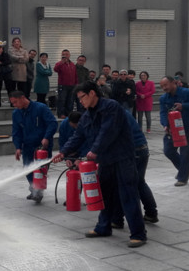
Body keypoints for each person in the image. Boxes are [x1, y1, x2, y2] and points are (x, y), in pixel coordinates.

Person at [52, 81, 147, 248]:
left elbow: (108, 131)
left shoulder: (111, 107)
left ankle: (138, 234)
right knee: (105, 194)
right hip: (105, 160)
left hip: (122, 158)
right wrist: (63, 152)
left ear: (92, 93)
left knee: (128, 194)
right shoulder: (87, 115)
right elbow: (78, 136)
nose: (80, 101)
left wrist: (95, 149)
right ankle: (103, 227)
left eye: (82, 97)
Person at [112, 109, 159, 226]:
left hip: (132, 152)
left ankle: (118, 218)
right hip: (142, 148)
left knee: (124, 184)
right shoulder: (122, 111)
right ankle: (151, 213)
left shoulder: (111, 114)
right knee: (139, 182)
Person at [10, 90, 57, 203]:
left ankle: (37, 191)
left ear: (22, 98)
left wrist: (46, 137)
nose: (14, 105)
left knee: (40, 169)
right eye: (13, 103)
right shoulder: (16, 113)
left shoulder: (40, 108)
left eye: (15, 102)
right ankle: (35, 190)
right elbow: (16, 132)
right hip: (27, 146)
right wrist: (18, 147)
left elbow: (52, 123)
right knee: (28, 168)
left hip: (42, 146)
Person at [159, 75, 189, 186]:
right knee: (168, 150)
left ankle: (183, 178)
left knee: (185, 153)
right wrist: (165, 125)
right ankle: (183, 170)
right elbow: (163, 112)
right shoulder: (163, 98)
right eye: (162, 86)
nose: (164, 88)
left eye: (165, 85)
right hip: (171, 128)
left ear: (173, 82)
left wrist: (184, 106)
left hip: (186, 127)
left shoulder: (187, 92)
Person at [54, 49, 77, 118]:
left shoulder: (72, 64)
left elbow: (75, 75)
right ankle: (61, 113)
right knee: (62, 100)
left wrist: (76, 84)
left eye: (67, 54)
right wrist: (62, 62)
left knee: (70, 100)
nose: (65, 56)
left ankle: (69, 113)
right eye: (63, 54)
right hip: (63, 85)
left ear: (69, 55)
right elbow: (55, 69)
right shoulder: (59, 63)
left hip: (72, 85)